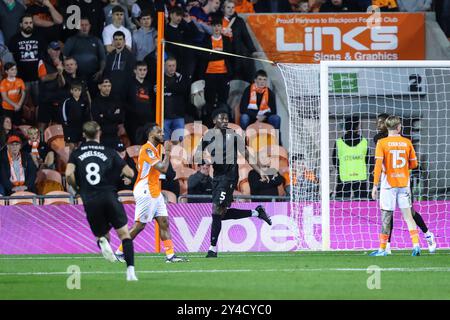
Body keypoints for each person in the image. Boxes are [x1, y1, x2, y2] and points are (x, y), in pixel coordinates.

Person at [194, 108, 273, 258]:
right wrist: (205, 160)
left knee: (216, 210)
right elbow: (196, 156)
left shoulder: (234, 136)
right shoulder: (208, 136)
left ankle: (212, 249)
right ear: (213, 121)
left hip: (229, 177)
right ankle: (257, 212)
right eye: (221, 118)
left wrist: (260, 170)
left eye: (226, 119)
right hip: (217, 178)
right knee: (220, 215)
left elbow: (247, 155)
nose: (224, 121)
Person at [65, 121, 138, 281]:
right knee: (124, 234)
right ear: (99, 133)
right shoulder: (109, 151)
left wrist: (77, 188)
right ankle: (131, 272)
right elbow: (130, 173)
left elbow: (68, 173)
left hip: (90, 198)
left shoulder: (76, 153)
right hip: (109, 195)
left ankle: (103, 241)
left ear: (84, 135)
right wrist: (122, 176)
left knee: (101, 235)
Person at [115, 123, 189, 263]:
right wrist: (167, 152)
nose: (162, 133)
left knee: (164, 222)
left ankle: (170, 256)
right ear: (150, 135)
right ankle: (119, 252)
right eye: (159, 131)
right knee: (139, 225)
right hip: (145, 190)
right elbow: (163, 168)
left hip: (155, 190)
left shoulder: (153, 150)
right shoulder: (147, 149)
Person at [373, 113, 436, 254]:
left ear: (387, 125)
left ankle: (383, 248)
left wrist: (374, 185)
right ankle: (415, 245)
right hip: (404, 183)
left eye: (381, 122)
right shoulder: (406, 142)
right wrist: (401, 169)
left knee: (388, 215)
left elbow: (377, 166)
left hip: (388, 184)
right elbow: (414, 164)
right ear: (398, 127)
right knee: (408, 216)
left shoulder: (381, 142)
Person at [8, 14, 46, 110]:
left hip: (37, 78)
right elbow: (10, 58)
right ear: (21, 25)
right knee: (21, 106)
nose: (29, 25)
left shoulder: (39, 38)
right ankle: (20, 124)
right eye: (26, 23)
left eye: (30, 23)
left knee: (39, 105)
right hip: (21, 79)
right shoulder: (14, 39)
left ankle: (38, 124)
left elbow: (44, 56)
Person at [201, 18, 233, 127]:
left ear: (221, 27)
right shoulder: (206, 40)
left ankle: (224, 125)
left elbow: (229, 55)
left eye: (219, 26)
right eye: (214, 26)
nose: (216, 28)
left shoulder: (227, 40)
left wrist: (213, 54)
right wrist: (220, 54)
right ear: (211, 27)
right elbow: (204, 56)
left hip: (223, 74)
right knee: (209, 101)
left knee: (222, 101)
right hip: (210, 74)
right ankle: (209, 125)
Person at [63, 17, 106, 94]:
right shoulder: (71, 40)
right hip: (76, 78)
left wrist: (101, 71)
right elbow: (64, 57)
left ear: (90, 26)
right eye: (82, 25)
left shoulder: (96, 40)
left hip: (93, 77)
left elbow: (103, 58)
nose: (84, 27)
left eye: (86, 25)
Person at [332, 115, 369, 199]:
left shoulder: (339, 142)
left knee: (342, 205)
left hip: (344, 176)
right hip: (360, 176)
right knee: (361, 205)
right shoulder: (364, 141)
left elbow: (334, 159)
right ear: (357, 126)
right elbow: (367, 159)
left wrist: (341, 168)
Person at [221, 0, 257, 83]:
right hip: (224, 55)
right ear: (223, 9)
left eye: (233, 7)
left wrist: (253, 50)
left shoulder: (239, 20)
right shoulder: (219, 20)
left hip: (237, 54)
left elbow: (246, 36)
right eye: (228, 7)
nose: (231, 9)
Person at [37, 41, 65, 132]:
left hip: (58, 97)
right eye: (54, 50)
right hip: (46, 97)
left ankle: (56, 144)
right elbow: (43, 78)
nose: (56, 52)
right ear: (49, 51)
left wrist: (61, 72)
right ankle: (41, 143)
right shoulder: (42, 61)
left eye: (58, 50)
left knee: (58, 123)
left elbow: (63, 82)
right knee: (42, 123)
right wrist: (59, 73)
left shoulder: (63, 61)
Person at [91, 77, 124, 150]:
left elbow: (119, 117)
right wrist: (112, 115)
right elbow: (97, 119)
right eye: (104, 86)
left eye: (109, 86)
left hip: (115, 135)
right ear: (99, 87)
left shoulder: (116, 99)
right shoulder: (95, 102)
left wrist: (104, 115)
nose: (107, 88)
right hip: (102, 136)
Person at [125, 61, 154, 145]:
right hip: (133, 121)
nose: (142, 72)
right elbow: (124, 101)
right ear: (135, 71)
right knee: (136, 145)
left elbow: (152, 101)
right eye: (140, 70)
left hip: (148, 121)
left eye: (144, 70)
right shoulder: (129, 84)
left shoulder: (149, 84)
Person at [103, 31, 136, 100]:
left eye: (120, 39)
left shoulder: (130, 56)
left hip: (124, 91)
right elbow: (107, 72)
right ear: (113, 41)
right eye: (116, 39)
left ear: (124, 41)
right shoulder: (110, 56)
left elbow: (131, 74)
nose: (118, 42)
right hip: (111, 91)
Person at [61, 81, 91, 152]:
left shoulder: (84, 102)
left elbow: (86, 114)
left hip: (80, 128)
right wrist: (66, 124)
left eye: (79, 90)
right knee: (70, 147)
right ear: (71, 91)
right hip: (70, 128)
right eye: (75, 90)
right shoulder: (67, 102)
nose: (77, 92)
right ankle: (70, 162)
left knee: (80, 147)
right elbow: (63, 114)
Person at [163, 56, 188, 142]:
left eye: (173, 65)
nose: (172, 68)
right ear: (165, 66)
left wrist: (168, 88)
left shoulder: (180, 78)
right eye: (169, 66)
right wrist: (176, 89)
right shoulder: (160, 78)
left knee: (179, 144)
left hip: (178, 116)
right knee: (164, 143)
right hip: (164, 116)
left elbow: (183, 90)